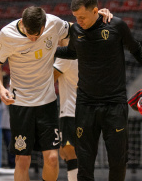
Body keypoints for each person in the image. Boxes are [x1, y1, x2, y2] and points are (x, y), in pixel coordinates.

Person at [0, 6, 113, 181]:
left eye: (37, 35)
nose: (33, 39)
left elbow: (77, 27)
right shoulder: (7, 34)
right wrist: (1, 89)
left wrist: (96, 17)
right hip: (20, 105)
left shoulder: (54, 23)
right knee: (22, 160)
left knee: (53, 159)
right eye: (29, 34)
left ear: (44, 24)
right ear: (23, 23)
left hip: (46, 104)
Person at [55, 0, 142, 180]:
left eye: (82, 17)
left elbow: (136, 49)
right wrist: (48, 50)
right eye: (75, 17)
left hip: (114, 105)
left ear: (95, 11)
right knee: (85, 162)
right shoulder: (75, 30)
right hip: (85, 105)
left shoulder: (116, 26)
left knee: (118, 161)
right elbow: (72, 52)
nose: (78, 21)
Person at [53, 38, 78, 181]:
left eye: (60, 37)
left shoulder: (66, 56)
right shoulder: (83, 52)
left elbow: (50, 79)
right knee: (64, 151)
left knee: (69, 153)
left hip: (69, 111)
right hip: (83, 110)